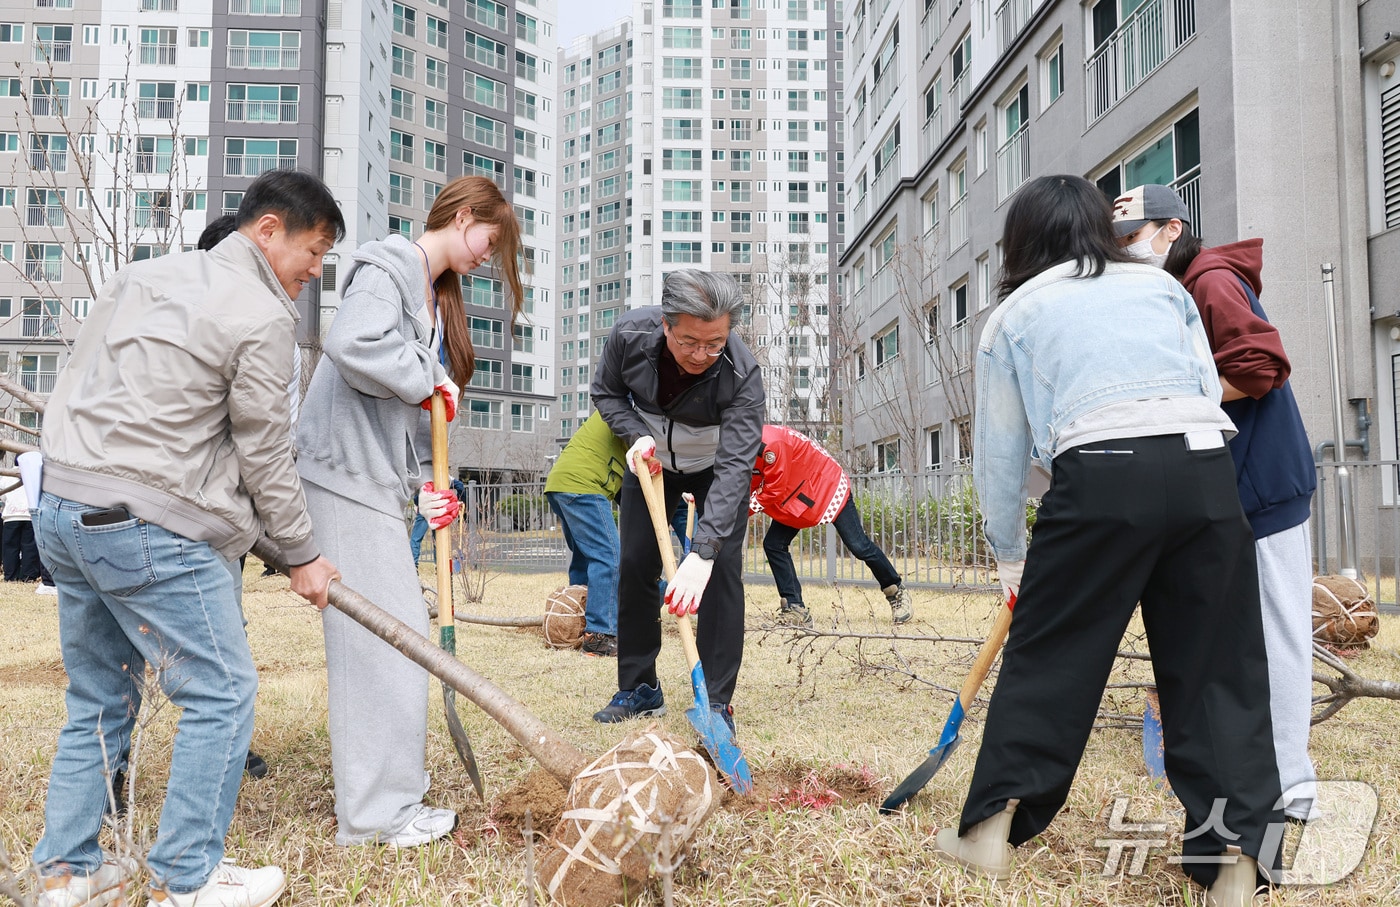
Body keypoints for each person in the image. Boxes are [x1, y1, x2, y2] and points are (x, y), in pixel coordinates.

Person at [933, 175, 1283, 907]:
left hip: (1102, 475)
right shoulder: (1160, 287)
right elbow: (1197, 379)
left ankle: (988, 832)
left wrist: (1008, 554)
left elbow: (1001, 453)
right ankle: (1238, 866)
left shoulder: (1014, 313)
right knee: (1222, 671)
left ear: (1020, 241)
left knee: (1052, 656)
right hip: (1203, 472)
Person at [31, 169, 343, 907]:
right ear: (269, 229)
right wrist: (302, 553)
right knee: (222, 690)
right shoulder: (262, 316)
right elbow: (265, 452)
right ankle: (188, 877)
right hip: (150, 524)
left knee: (99, 696)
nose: (316, 268)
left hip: (65, 507)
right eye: (316, 248)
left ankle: (67, 872)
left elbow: (79, 377)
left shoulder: (140, 277)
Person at [296, 174, 523, 847]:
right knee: (379, 645)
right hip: (338, 476)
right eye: (491, 239)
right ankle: (373, 816)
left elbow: (402, 414)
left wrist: (422, 484)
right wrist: (431, 379)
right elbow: (352, 345)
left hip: (371, 481)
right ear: (461, 215)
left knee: (397, 640)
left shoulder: (431, 295)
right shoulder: (390, 263)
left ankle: (391, 794)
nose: (488, 255)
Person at [1115, 184, 1319, 822]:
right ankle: (1267, 779)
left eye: (1132, 234)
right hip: (1232, 489)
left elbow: (1262, 363)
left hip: (1261, 485)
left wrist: (1174, 400)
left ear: (1171, 228)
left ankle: (1293, 791)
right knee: (1249, 640)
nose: (1125, 248)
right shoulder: (1175, 288)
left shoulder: (1209, 281)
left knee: (1276, 638)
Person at [590, 269, 765, 732]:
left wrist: (703, 552)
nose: (702, 355)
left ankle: (717, 703)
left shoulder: (742, 373)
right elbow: (606, 392)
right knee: (635, 565)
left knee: (722, 572)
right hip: (649, 463)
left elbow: (736, 467)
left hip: (715, 470)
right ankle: (639, 688)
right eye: (689, 341)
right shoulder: (629, 336)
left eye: (715, 343)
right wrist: (634, 435)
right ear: (666, 324)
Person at [749, 424, 910, 627]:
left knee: (859, 546)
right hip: (797, 494)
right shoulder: (741, 446)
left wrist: (740, 510)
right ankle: (794, 607)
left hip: (828, 486)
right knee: (773, 544)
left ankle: (896, 591)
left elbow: (775, 488)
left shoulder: (771, 443)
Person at [544, 412, 628, 657]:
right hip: (584, 486)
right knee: (609, 556)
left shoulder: (615, 407)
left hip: (561, 483)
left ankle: (573, 622)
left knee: (584, 556)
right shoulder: (635, 410)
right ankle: (599, 636)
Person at [409, 477, 467, 564]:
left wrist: (418, 503)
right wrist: (460, 500)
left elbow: (417, 497)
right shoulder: (446, 476)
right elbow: (460, 486)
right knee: (439, 540)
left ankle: (413, 566)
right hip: (440, 511)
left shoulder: (421, 476)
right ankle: (440, 565)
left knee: (415, 539)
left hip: (426, 509)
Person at [2, 484, 41, 583]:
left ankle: (11, 576)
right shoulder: (32, 477)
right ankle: (29, 576)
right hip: (29, 515)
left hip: (11, 516)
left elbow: (2, 497)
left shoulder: (5, 480)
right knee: (30, 547)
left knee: (10, 548)